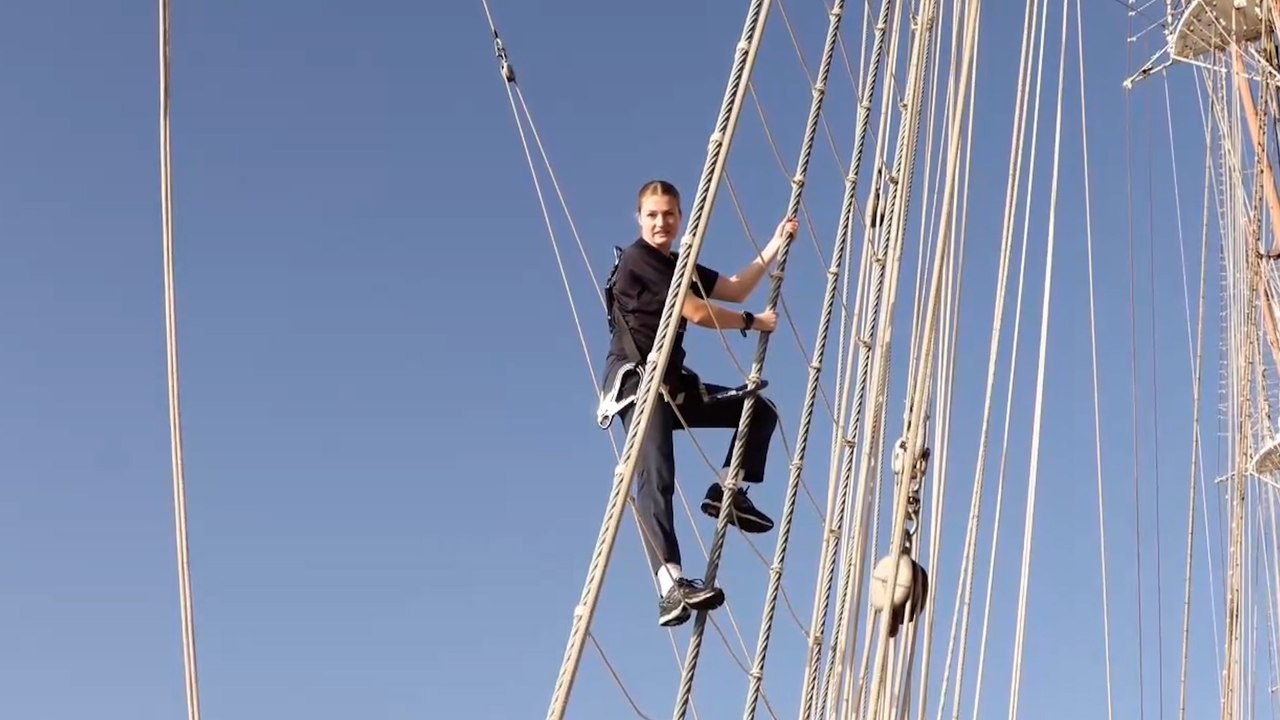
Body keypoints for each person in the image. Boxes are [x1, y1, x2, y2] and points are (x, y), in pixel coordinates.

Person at [596, 179, 798, 627]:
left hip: (673, 386)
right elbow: (696, 312)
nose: (661, 222)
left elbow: (733, 288)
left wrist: (775, 244)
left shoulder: (678, 264)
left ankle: (727, 492)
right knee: (657, 473)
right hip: (639, 385)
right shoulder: (638, 261)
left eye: (669, 214)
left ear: (680, 217)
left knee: (757, 412)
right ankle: (670, 586)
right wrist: (754, 323)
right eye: (652, 215)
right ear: (639, 219)